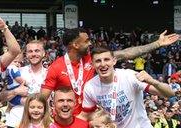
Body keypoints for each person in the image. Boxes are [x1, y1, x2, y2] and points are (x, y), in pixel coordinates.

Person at [41, 28, 179, 114]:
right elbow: (43, 98)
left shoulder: (94, 59)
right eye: (87, 41)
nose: (90, 43)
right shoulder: (56, 67)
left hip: (91, 117)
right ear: (75, 45)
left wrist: (157, 43)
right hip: (68, 118)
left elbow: (126, 53)